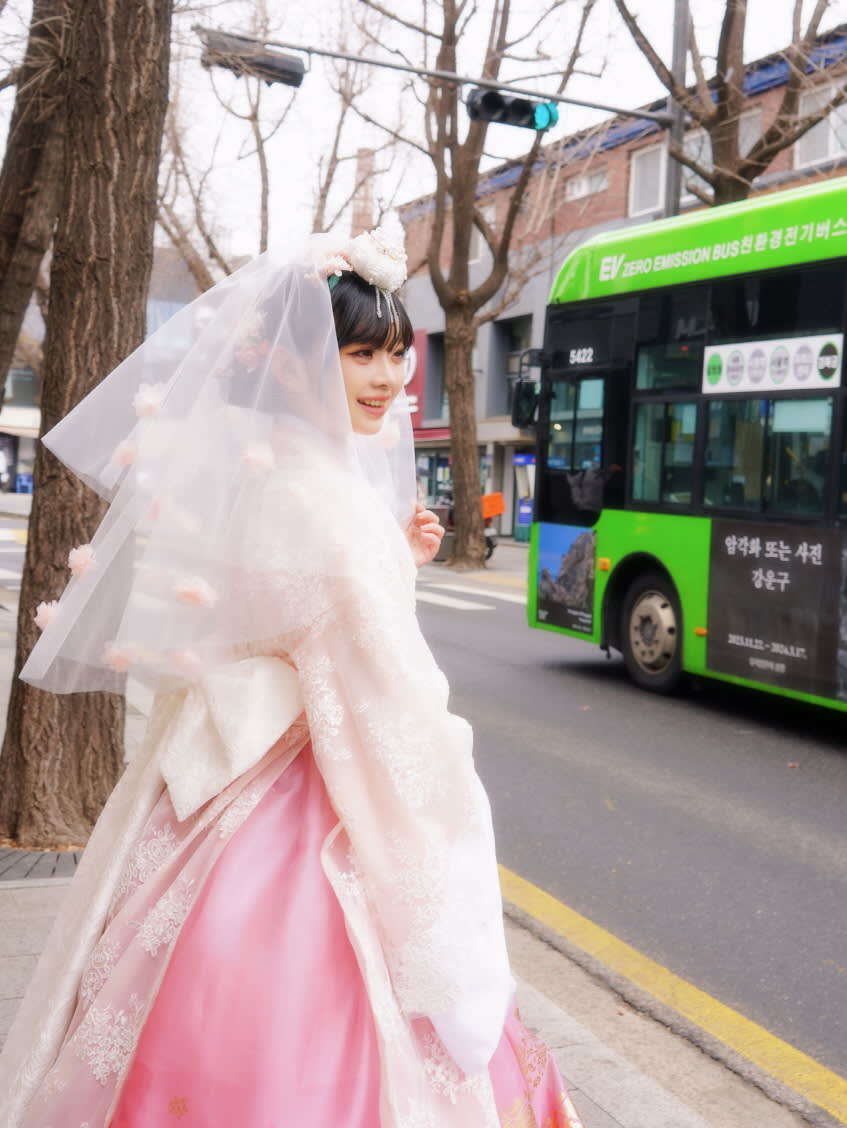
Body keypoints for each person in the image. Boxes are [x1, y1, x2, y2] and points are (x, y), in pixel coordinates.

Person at [0, 221, 582, 1128]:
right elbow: (383, 696)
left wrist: (393, 565)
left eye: (396, 353)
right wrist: (445, 806)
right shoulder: (329, 501)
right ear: (296, 361)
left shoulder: (265, 475)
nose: (389, 379)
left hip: (227, 796)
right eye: (360, 354)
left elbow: (276, 609)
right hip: (309, 791)